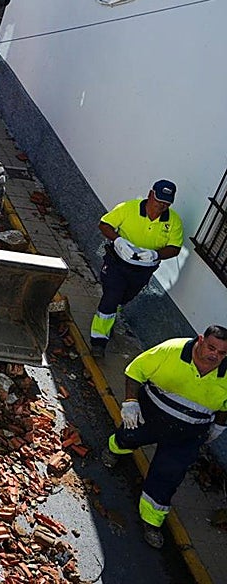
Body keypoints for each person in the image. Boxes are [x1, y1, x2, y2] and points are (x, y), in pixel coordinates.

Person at [102, 326, 227, 548]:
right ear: (200, 339)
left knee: (168, 476)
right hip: (151, 416)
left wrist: (218, 427)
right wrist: (130, 402)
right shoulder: (171, 350)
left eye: (222, 353)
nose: (215, 356)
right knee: (128, 437)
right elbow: (135, 371)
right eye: (211, 347)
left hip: (188, 435)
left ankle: (151, 520)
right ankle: (113, 450)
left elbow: (225, 408)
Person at [89, 180, 183, 357]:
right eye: (158, 200)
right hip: (117, 262)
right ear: (150, 194)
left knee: (124, 298)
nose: (161, 206)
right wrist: (118, 240)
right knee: (112, 296)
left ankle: (111, 312)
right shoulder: (129, 208)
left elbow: (175, 248)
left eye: (166, 203)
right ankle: (99, 341)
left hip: (142, 269)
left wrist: (156, 254)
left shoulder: (174, 222)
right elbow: (104, 224)